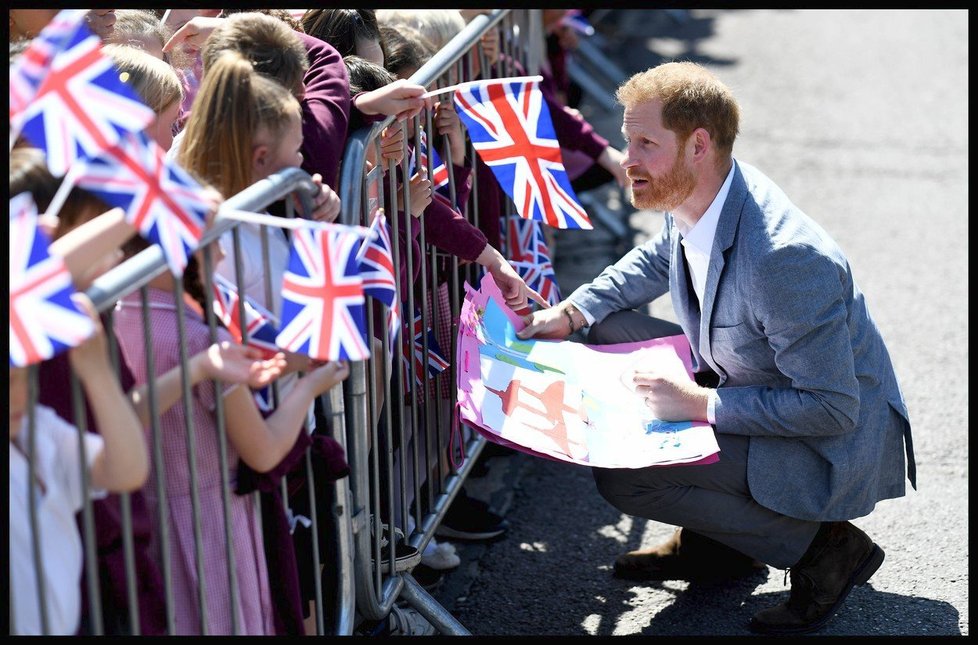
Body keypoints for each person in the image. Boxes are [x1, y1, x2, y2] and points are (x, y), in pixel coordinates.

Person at [516, 61, 916, 635]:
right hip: (751, 385)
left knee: (626, 476)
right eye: (628, 139)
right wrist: (574, 310)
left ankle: (826, 550)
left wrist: (698, 405)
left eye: (646, 143)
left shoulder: (784, 260)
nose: (626, 158)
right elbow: (660, 256)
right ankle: (719, 545)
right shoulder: (704, 190)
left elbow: (831, 408)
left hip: (826, 445)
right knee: (606, 333)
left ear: (697, 144)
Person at [10, 296, 149, 636]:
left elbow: (126, 469)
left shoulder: (38, 429)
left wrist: (97, 372)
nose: (18, 396)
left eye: (21, 378)